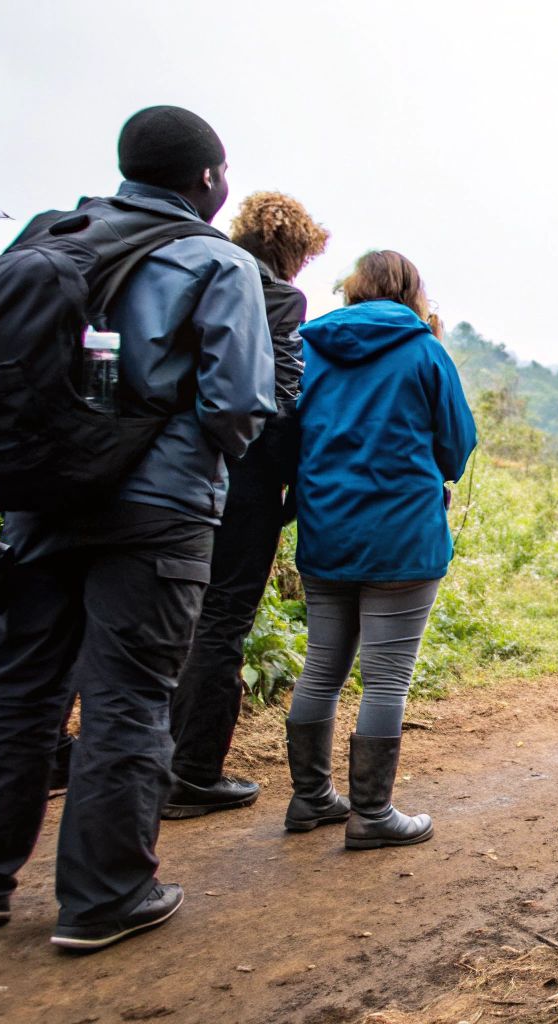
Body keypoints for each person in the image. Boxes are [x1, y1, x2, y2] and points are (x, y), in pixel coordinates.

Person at [0, 106, 275, 950]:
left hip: (39, 499)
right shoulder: (215, 259)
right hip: (157, 516)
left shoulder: (50, 238)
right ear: (208, 179)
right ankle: (104, 897)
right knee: (128, 695)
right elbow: (238, 402)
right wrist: (189, 457)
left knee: (19, 686)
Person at [281, 250, 475, 849]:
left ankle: (311, 798)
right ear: (413, 291)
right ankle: (372, 814)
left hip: (325, 528)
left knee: (322, 666)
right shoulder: (424, 351)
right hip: (402, 535)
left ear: (353, 290)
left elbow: (286, 436)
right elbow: (456, 443)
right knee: (386, 680)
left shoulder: (308, 347)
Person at [164, 192, 329, 818]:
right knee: (222, 619)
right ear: (295, 250)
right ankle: (193, 773)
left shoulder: (192, 268)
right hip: (244, 481)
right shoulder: (280, 297)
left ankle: (144, 761)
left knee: (166, 613)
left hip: (168, 470)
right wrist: (289, 487)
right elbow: (281, 401)